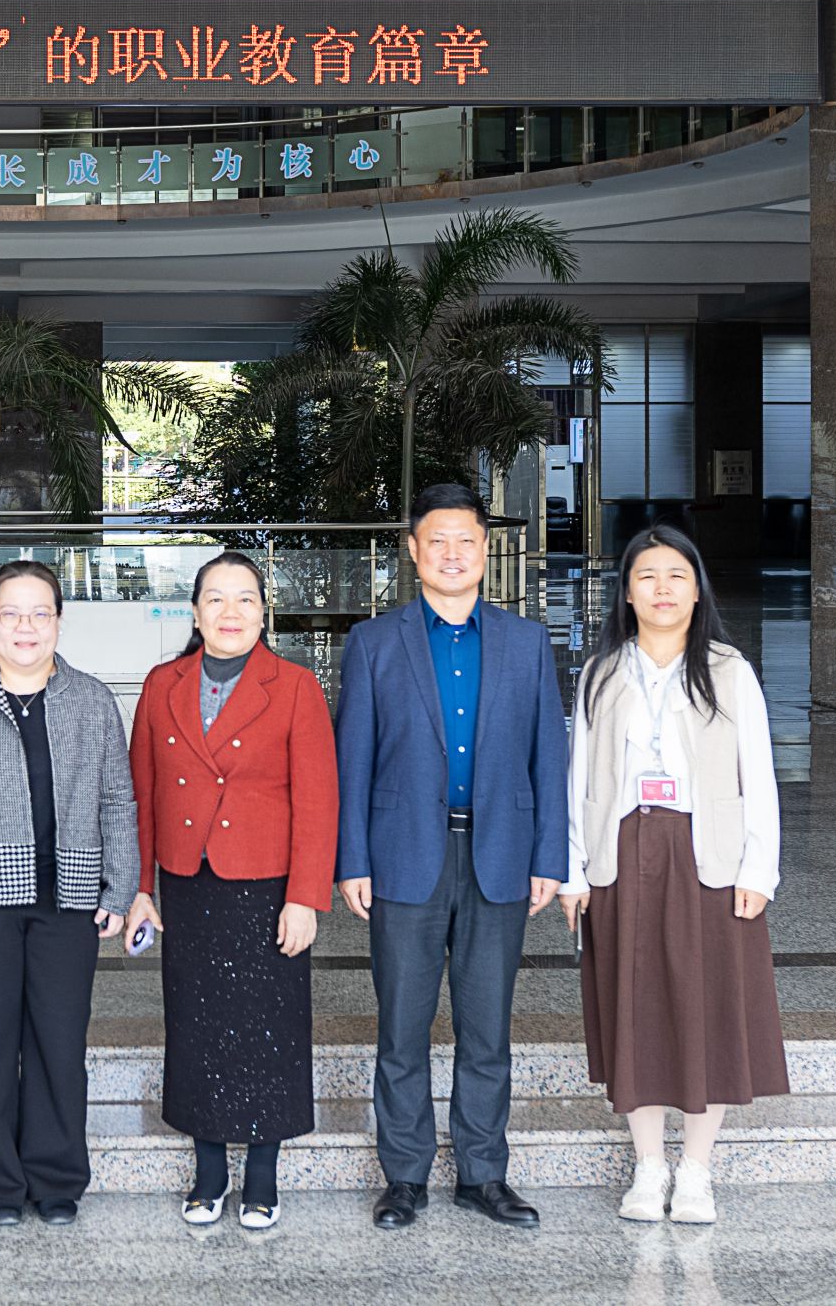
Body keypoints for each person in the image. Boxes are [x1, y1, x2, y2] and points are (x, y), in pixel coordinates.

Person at [334, 483, 568, 1232]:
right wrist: (351, 859)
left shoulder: (526, 642)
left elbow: (549, 757)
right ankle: (404, 1176)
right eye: (437, 540)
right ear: (413, 550)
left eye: (466, 539)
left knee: (487, 1028)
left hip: (499, 854)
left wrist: (550, 856)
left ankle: (483, 1173)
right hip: (403, 856)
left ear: (485, 549)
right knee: (401, 1028)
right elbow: (353, 760)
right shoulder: (375, 642)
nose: (452, 553)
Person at [558, 525, 788, 1225]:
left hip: (708, 856)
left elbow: (759, 775)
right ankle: (648, 1164)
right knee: (635, 1009)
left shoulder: (729, 670)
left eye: (676, 576)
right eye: (647, 577)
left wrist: (759, 868)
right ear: (626, 593)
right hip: (623, 853)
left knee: (709, 1008)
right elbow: (579, 778)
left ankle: (696, 1171)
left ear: (697, 590)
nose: (662, 589)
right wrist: (573, 872)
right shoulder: (601, 673)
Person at [0, 561, 138, 1228]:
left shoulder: (91, 699)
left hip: (70, 898)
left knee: (59, 1044)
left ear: (59, 621)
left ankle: (56, 1178)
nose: (26, 626)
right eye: (11, 612)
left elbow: (117, 798)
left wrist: (121, 885)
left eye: (40, 612)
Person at [125, 552, 339, 1231]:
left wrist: (306, 896)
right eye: (215, 598)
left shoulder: (295, 686)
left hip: (267, 887)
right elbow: (142, 793)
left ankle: (263, 1175)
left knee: (270, 1029)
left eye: (245, 598)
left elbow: (318, 799)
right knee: (195, 1026)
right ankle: (210, 1171)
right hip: (188, 884)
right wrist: (141, 887)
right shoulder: (162, 684)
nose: (230, 612)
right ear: (194, 612)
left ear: (263, 613)